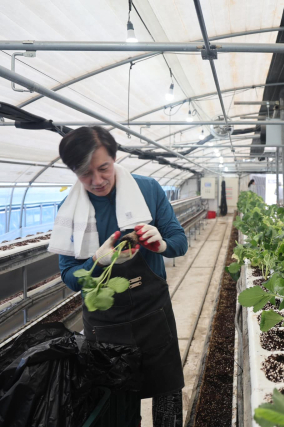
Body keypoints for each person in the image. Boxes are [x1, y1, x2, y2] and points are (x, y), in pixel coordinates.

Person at [49, 126, 188, 427]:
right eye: (85, 173)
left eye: (103, 168)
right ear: (73, 171)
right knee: (116, 405)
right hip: (105, 324)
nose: (97, 181)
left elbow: (180, 243)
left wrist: (160, 242)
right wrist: (99, 260)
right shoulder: (69, 211)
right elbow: (70, 276)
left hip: (153, 314)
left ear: (114, 158)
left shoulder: (147, 189)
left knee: (167, 395)